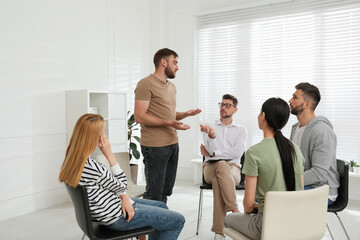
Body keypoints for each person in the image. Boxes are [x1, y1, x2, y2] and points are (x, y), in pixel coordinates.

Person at [59, 113, 185, 240]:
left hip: (111, 208)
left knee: (161, 206)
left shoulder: (73, 159)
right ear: (93, 138)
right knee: (178, 221)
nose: (105, 137)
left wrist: (124, 197)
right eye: (102, 133)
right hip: (117, 217)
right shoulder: (91, 166)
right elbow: (123, 185)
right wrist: (109, 155)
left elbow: (116, 187)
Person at [224, 98, 304, 240]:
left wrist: (257, 206)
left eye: (260, 112)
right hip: (294, 224)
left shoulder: (255, 152)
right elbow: (300, 192)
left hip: (267, 226)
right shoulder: (295, 149)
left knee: (228, 219)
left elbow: (248, 206)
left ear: (264, 116)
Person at [134, 48, 201, 203]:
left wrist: (185, 114)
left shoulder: (171, 87)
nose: (177, 67)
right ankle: (150, 225)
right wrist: (169, 123)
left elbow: (166, 114)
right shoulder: (145, 84)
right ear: (163, 62)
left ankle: (161, 222)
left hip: (172, 144)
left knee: (165, 191)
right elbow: (140, 116)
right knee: (154, 193)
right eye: (175, 62)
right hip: (155, 147)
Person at [200, 94, 247, 240]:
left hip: (233, 169)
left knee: (218, 180)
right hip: (210, 167)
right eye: (222, 104)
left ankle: (219, 231)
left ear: (235, 109)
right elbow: (209, 150)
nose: (223, 107)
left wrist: (214, 153)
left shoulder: (241, 130)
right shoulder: (210, 126)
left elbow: (237, 152)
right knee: (220, 165)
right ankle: (235, 210)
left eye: (227, 105)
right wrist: (212, 137)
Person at [289, 82, 339, 205]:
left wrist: (287, 180)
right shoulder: (296, 128)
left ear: (307, 104)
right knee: (263, 194)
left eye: (295, 98)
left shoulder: (322, 131)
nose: (290, 100)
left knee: (273, 198)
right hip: (304, 184)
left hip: (321, 190)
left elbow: (319, 174)